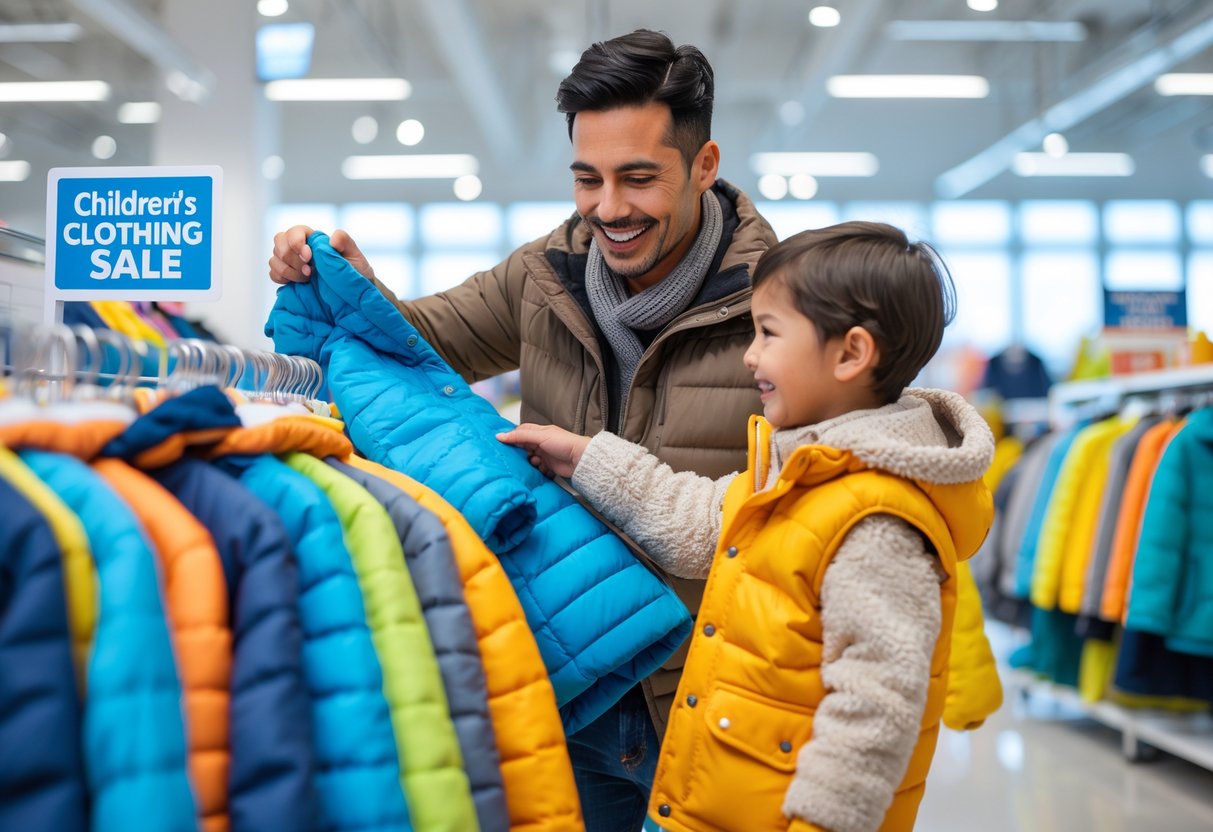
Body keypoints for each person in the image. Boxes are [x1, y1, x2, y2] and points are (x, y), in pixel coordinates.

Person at [268, 28, 779, 830]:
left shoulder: (780, 303)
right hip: (566, 683)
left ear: (704, 165)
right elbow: (417, 343)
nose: (607, 209)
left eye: (637, 178)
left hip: (715, 698)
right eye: (587, 179)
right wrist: (347, 283)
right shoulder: (544, 274)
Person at [498, 221, 996, 832]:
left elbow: (875, 710)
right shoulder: (799, 473)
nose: (750, 355)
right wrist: (586, 458)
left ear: (851, 353)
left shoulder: (875, 520)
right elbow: (698, 521)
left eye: (768, 333)